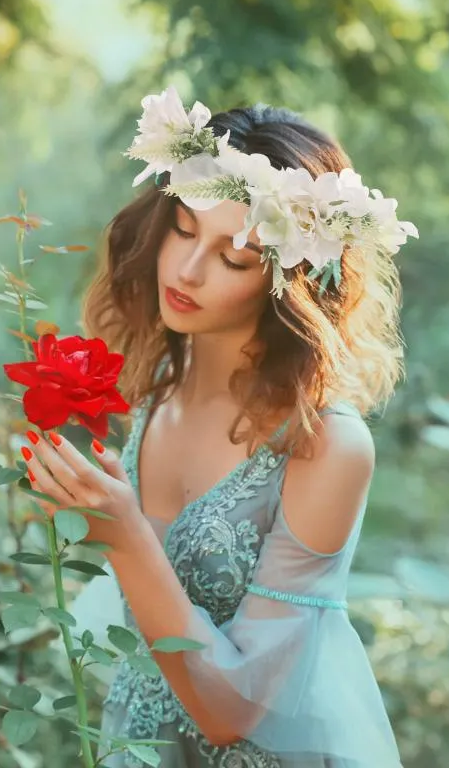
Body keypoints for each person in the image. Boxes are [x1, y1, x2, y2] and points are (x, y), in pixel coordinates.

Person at [23, 87, 417, 767]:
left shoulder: (324, 446)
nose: (189, 269)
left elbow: (234, 713)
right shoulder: (157, 390)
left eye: (235, 258)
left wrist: (122, 532)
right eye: (183, 227)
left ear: (290, 281)